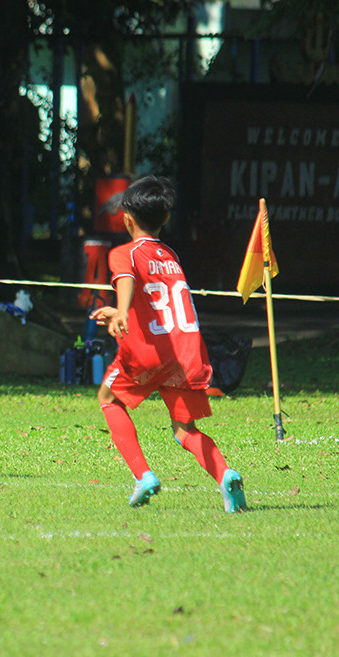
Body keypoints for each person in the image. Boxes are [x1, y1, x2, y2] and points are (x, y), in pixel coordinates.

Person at [89, 176, 247, 512]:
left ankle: (143, 476)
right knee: (185, 430)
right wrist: (122, 309)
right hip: (186, 353)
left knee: (108, 399)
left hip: (150, 352)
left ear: (127, 219)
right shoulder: (171, 256)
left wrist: (121, 310)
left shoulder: (124, 253)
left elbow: (127, 280)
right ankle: (225, 474)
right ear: (165, 219)